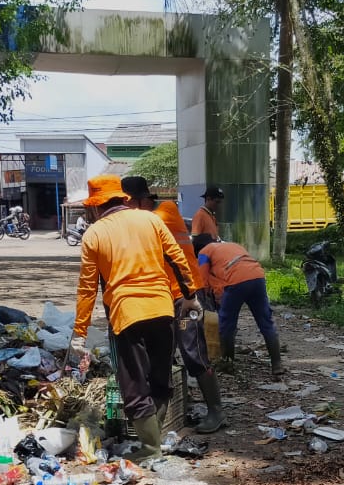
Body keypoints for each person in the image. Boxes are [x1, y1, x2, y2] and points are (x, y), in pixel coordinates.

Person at [72, 175, 202, 461]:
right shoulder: (150, 220)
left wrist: (79, 332)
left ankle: (151, 448)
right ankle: (157, 439)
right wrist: (190, 295)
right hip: (162, 309)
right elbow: (177, 258)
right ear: (124, 199)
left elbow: (87, 288)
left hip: (126, 315)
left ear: (96, 207)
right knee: (160, 377)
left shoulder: (94, 234)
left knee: (133, 385)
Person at [154, 200, 226, 432]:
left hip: (187, 299)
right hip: (172, 296)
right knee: (169, 353)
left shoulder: (163, 214)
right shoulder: (160, 216)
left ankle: (216, 411)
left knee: (193, 352)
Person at [193, 232, 284, 377]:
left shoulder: (204, 252)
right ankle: (277, 364)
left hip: (236, 281)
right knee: (265, 321)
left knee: (227, 323)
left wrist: (201, 301)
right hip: (258, 276)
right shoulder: (232, 245)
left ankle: (228, 363)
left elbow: (202, 281)